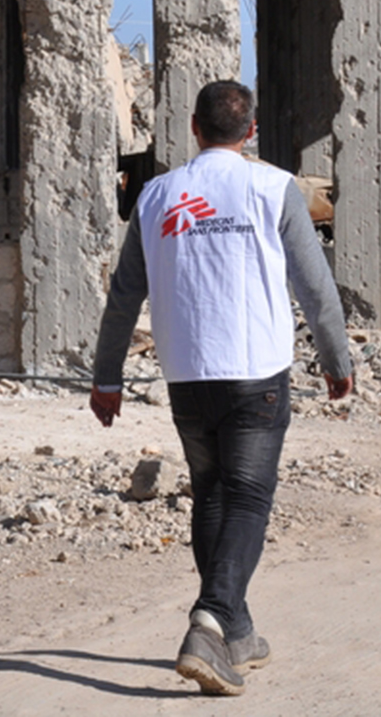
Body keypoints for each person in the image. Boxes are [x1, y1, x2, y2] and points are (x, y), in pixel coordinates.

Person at [89, 80, 352, 696]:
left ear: (194, 127)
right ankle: (208, 621)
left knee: (211, 493)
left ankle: (235, 633)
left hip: (187, 375)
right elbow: (314, 286)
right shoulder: (272, 187)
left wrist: (107, 377)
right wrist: (336, 357)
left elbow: (124, 295)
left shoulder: (155, 196)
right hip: (255, 373)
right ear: (252, 131)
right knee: (250, 498)